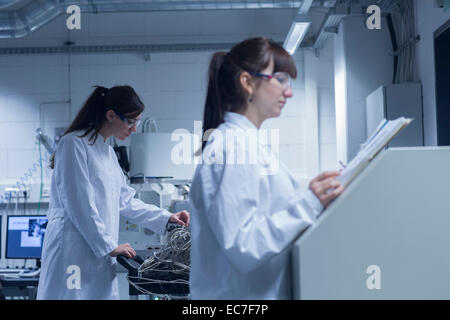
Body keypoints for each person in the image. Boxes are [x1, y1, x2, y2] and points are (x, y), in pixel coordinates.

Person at [189, 37, 344, 299]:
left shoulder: (246, 143)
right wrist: (309, 203)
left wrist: (309, 198)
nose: (289, 92)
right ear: (247, 82)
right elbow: (244, 245)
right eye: (281, 79)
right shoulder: (235, 147)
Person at [36, 85, 190, 300]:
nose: (134, 128)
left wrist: (166, 218)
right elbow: (79, 204)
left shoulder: (107, 152)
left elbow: (126, 201)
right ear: (110, 115)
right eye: (131, 121)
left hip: (97, 254)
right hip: (71, 252)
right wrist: (108, 246)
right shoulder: (73, 144)